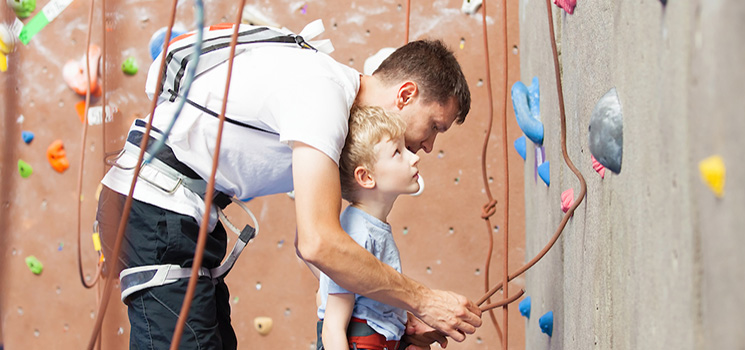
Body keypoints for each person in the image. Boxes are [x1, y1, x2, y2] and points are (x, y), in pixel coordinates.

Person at [95, 21, 481, 350]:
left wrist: (389, 316)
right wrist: (424, 301)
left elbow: (316, 249)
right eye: (434, 126)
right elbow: (319, 243)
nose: (428, 146)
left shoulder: (333, 109)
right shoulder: (322, 96)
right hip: (156, 209)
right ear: (406, 94)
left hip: (173, 214)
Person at [313, 106, 422, 350]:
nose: (414, 157)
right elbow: (332, 329)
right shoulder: (358, 233)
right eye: (397, 152)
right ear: (366, 177)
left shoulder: (370, 228)